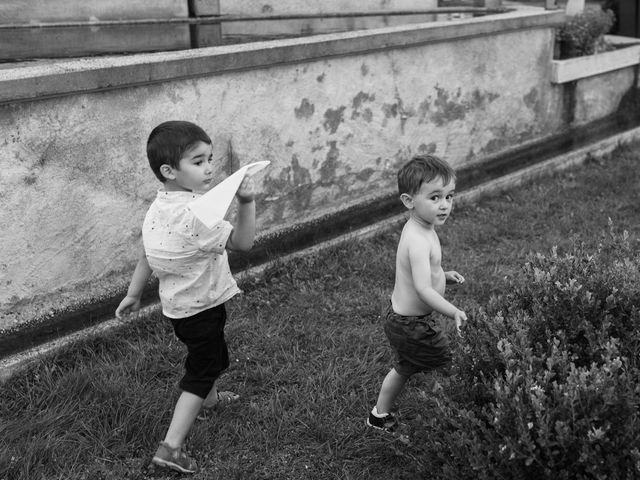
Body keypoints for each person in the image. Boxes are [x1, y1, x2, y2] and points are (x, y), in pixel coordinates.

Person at [115, 120, 257, 474]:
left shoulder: (159, 207)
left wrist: (134, 293)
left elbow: (148, 253)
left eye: (209, 158)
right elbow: (243, 243)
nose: (209, 168)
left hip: (178, 310)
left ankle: (208, 399)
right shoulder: (198, 215)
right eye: (198, 161)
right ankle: (171, 446)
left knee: (204, 356)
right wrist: (247, 201)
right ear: (169, 171)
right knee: (204, 367)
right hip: (203, 308)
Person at [367, 154, 467, 437]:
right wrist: (453, 311)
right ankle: (459, 419)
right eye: (435, 197)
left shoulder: (421, 228)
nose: (445, 205)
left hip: (401, 319)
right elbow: (423, 290)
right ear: (409, 201)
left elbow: (421, 275)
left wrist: (443, 275)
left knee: (404, 367)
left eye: (450, 196)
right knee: (452, 365)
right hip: (413, 325)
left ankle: (379, 415)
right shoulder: (418, 240)